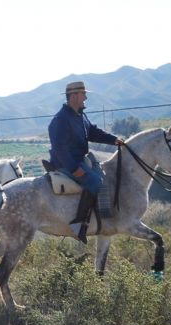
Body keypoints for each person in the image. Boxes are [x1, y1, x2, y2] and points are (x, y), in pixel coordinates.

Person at [48, 81, 125, 244]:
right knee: (95, 182)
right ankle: (79, 225)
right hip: (66, 163)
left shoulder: (80, 115)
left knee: (104, 178)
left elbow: (92, 132)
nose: (86, 97)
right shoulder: (60, 119)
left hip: (79, 159)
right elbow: (60, 149)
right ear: (74, 96)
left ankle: (102, 218)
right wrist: (74, 168)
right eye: (83, 94)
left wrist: (114, 140)